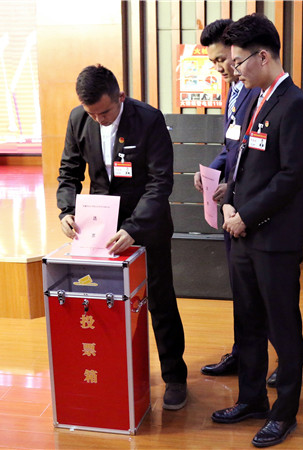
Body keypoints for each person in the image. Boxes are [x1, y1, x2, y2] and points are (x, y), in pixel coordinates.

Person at [210, 13, 303, 448]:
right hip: (242, 230)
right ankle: (251, 399)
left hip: (273, 238)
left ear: (263, 57)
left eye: (238, 61)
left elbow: (290, 177)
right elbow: (241, 158)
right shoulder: (253, 98)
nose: (234, 69)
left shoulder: (295, 105)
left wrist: (246, 214)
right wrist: (228, 199)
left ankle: (284, 413)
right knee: (248, 321)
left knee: (283, 327)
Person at [56, 64, 188, 410]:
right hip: (100, 225)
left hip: (147, 223)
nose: (98, 119)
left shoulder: (148, 119)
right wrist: (66, 210)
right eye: (92, 114)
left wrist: (134, 227)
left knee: (159, 300)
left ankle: (175, 377)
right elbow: (69, 171)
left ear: (121, 98)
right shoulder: (79, 119)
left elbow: (160, 182)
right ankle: (115, 371)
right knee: (106, 302)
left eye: (104, 112)